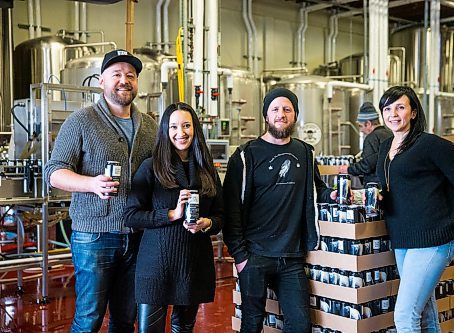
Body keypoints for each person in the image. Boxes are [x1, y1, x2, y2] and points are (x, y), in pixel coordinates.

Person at [44, 49, 158, 333]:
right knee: (89, 319)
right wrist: (91, 184)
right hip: (95, 236)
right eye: (116, 74)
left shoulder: (150, 127)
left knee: (125, 320)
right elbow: (54, 172)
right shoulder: (81, 121)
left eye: (130, 75)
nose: (124, 80)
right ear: (101, 81)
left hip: (137, 237)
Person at [223, 88, 335, 333]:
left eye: (287, 109)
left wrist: (334, 195)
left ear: (295, 115)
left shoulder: (305, 152)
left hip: (291, 257)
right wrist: (241, 257)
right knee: (252, 323)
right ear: (266, 115)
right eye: (275, 109)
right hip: (255, 255)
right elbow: (230, 209)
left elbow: (317, 189)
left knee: (300, 325)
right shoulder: (245, 155)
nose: (281, 114)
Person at [375, 86, 454, 332]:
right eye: (388, 108)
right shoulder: (384, 148)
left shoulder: (433, 146)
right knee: (424, 312)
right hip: (403, 240)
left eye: (400, 107)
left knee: (404, 315)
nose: (393, 114)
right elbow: (388, 186)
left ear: (413, 112)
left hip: (433, 239)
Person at [123, 102, 224, 333]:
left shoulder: (206, 169)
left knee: (184, 328)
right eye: (174, 126)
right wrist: (171, 214)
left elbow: (220, 216)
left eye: (187, 125)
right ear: (165, 131)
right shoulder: (151, 167)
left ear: (195, 129)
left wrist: (207, 223)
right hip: (156, 265)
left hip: (193, 264)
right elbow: (131, 216)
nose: (181, 133)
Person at [338, 102, 392, 185]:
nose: (361, 130)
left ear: (368, 123)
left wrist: (348, 169)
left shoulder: (372, 138)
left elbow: (367, 165)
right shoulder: (390, 134)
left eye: (360, 126)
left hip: (376, 186)